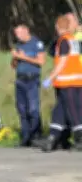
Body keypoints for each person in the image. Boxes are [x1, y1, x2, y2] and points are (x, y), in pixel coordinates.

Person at [35, 15, 82, 152]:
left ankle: (80, 137)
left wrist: (51, 77)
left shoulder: (63, 41)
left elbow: (62, 62)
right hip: (72, 81)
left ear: (59, 27)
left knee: (73, 111)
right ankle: (52, 137)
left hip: (68, 82)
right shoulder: (73, 40)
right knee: (59, 111)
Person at [10, 24, 45, 146]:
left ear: (26, 31)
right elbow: (13, 65)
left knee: (33, 108)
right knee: (21, 109)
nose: (18, 36)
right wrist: (15, 58)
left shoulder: (36, 43)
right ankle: (25, 136)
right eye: (16, 34)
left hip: (32, 79)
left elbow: (41, 61)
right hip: (20, 79)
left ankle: (36, 134)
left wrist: (24, 57)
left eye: (19, 33)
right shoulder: (19, 45)